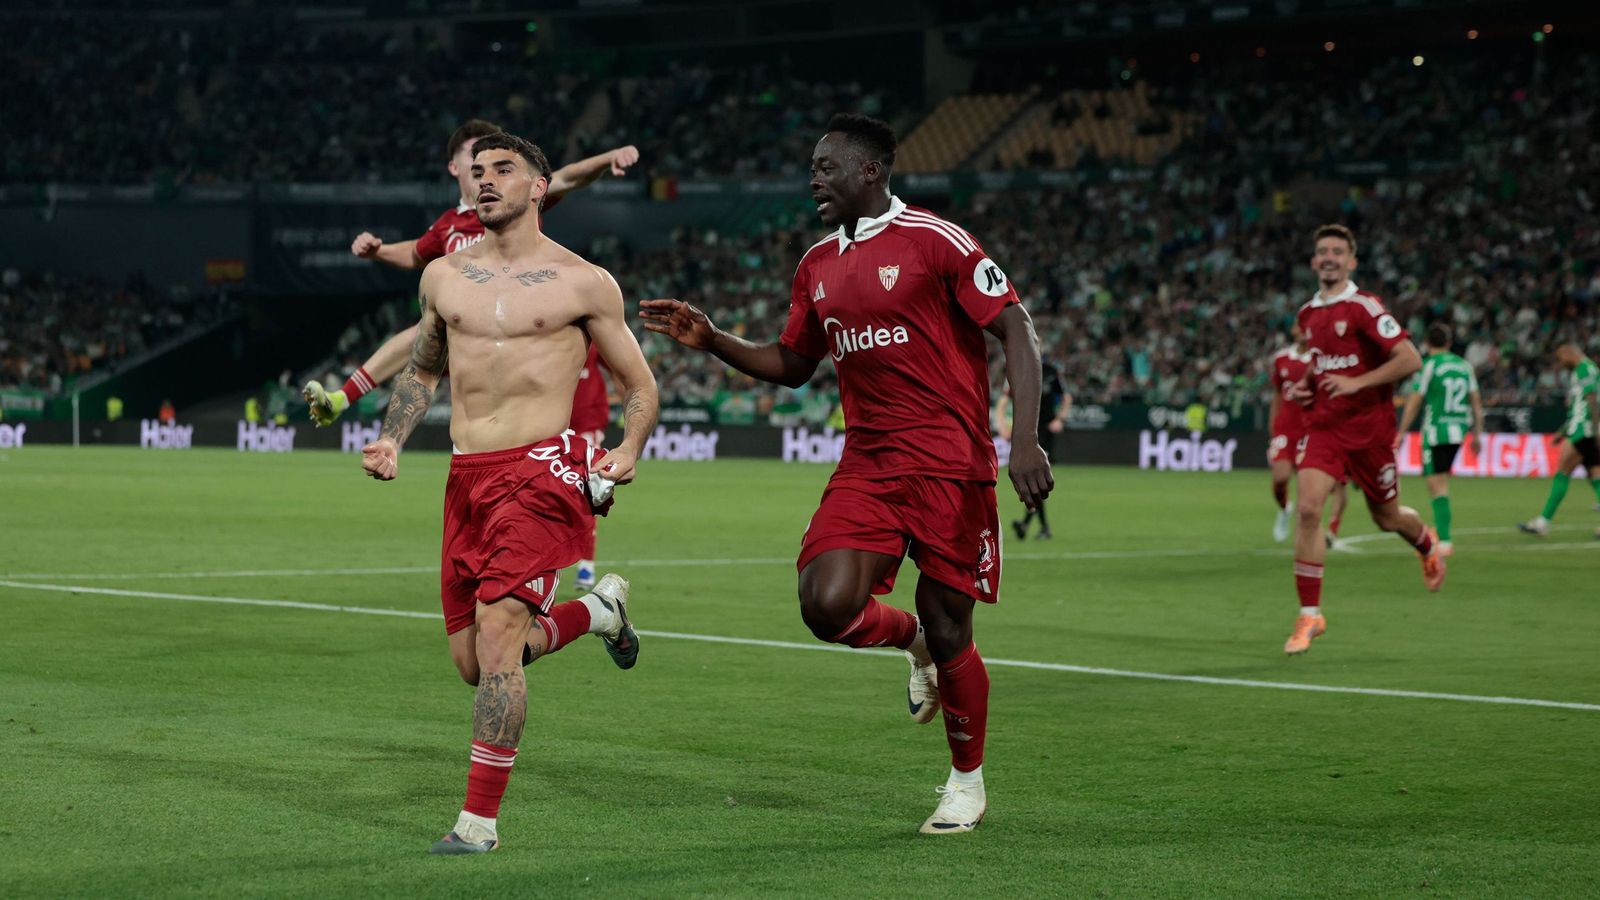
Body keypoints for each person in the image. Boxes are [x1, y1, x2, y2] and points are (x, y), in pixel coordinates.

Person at [640, 114, 1052, 834]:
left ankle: (966, 783)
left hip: (951, 465)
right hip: (868, 464)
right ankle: (912, 644)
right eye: (812, 168)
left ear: (871, 171)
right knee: (825, 604)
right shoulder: (816, 264)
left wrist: (1024, 439)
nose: (814, 180)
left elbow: (1015, 325)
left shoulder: (937, 241)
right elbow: (794, 363)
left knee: (952, 627)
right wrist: (712, 340)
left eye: (826, 167)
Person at [359, 132, 659, 855]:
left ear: (538, 187)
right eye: (478, 170)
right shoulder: (442, 276)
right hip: (467, 477)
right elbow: (424, 368)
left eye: (503, 170)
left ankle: (477, 824)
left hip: (541, 471)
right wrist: (392, 438)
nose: (485, 180)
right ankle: (598, 611)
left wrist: (627, 448)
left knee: (498, 640)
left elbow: (640, 384)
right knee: (476, 664)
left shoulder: (583, 282)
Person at [303, 118, 640, 424]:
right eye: (475, 154)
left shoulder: (516, 201)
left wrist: (607, 159)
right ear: (455, 166)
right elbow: (416, 253)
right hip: (471, 330)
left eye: (499, 162)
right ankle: (342, 399)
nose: (488, 163)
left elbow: (567, 177)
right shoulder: (447, 226)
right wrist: (380, 251)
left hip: (519, 319)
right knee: (424, 333)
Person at [1283, 224, 1443, 656]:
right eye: (1323, 251)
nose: (1329, 257)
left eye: (1338, 251)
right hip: (1324, 428)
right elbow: (1321, 361)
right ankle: (1310, 614)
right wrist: (1308, 386)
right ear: (1314, 262)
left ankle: (1425, 544)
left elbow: (1410, 359)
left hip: (1370, 432)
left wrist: (1357, 383)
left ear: (1351, 262)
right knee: (1309, 510)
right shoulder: (1307, 314)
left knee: (1387, 518)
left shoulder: (1365, 307)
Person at [1395, 323, 1482, 556]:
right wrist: (1477, 433)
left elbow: (1415, 401)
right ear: (1449, 342)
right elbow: (1476, 402)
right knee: (1441, 483)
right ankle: (1443, 537)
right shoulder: (1464, 366)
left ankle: (1444, 541)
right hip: (1458, 430)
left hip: (1436, 432)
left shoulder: (1428, 365)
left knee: (1437, 487)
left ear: (1426, 344)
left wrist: (1401, 432)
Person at [1267, 325, 1348, 545]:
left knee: (1327, 487)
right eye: (1298, 326)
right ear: (1293, 330)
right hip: (1285, 428)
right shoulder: (1281, 358)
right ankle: (1285, 508)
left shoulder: (1322, 359)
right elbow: (1277, 395)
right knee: (1280, 478)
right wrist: (1273, 429)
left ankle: (1325, 530)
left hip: (1312, 428)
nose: (1302, 330)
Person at [1518, 344, 1600, 537]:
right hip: (1580, 428)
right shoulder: (1583, 370)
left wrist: (1596, 430)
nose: (1561, 363)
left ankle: (1543, 522)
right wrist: (1562, 431)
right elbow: (1579, 405)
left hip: (1583, 429)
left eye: (1561, 358)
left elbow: (1592, 400)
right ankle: (1542, 522)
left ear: (1570, 353)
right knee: (1594, 475)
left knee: (1563, 471)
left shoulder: (1585, 369)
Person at [996, 340, 1068, 540]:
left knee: (1037, 477)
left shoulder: (1051, 371)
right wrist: (1002, 426)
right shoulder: (1019, 368)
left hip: (1044, 431)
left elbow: (1066, 397)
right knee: (1035, 478)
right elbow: (1002, 402)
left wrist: (1060, 419)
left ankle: (1030, 525)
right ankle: (1036, 526)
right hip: (1026, 431)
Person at [570, 343, 612, 591]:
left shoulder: (595, 337)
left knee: (587, 492)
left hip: (587, 423)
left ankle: (586, 564)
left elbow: (620, 366)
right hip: (553, 422)